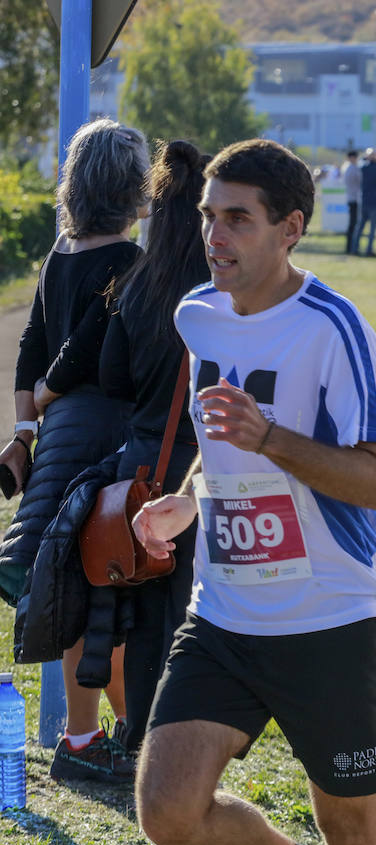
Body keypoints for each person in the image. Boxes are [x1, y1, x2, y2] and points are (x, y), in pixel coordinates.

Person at [131, 139, 376, 845]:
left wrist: (273, 436)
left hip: (329, 616)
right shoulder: (198, 316)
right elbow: (221, 443)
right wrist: (184, 502)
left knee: (356, 835)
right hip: (223, 613)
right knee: (168, 811)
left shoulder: (333, 328)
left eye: (238, 220)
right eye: (208, 217)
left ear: (290, 228)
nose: (215, 237)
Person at [1, 118, 149, 783]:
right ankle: (98, 736)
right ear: (132, 185)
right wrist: (57, 395)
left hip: (57, 436)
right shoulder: (129, 262)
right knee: (105, 585)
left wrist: (25, 429)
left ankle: (124, 733)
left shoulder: (59, 254)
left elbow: (29, 350)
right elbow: (77, 351)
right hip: (102, 433)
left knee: (82, 583)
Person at [98, 139, 212, 757]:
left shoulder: (136, 286)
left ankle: (141, 737)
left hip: (140, 471)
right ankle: (188, 746)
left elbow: (113, 381)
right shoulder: (224, 297)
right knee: (200, 616)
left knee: (141, 617)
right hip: (207, 471)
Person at [358, 150, 376, 257]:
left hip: (364, 200)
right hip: (375, 202)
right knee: (372, 228)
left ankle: (354, 247)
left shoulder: (363, 169)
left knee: (360, 227)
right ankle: (369, 249)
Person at [341, 150, 361, 254]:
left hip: (350, 198)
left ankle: (350, 247)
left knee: (352, 224)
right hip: (354, 198)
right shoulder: (353, 169)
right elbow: (359, 182)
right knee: (353, 224)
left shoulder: (346, 167)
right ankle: (351, 247)